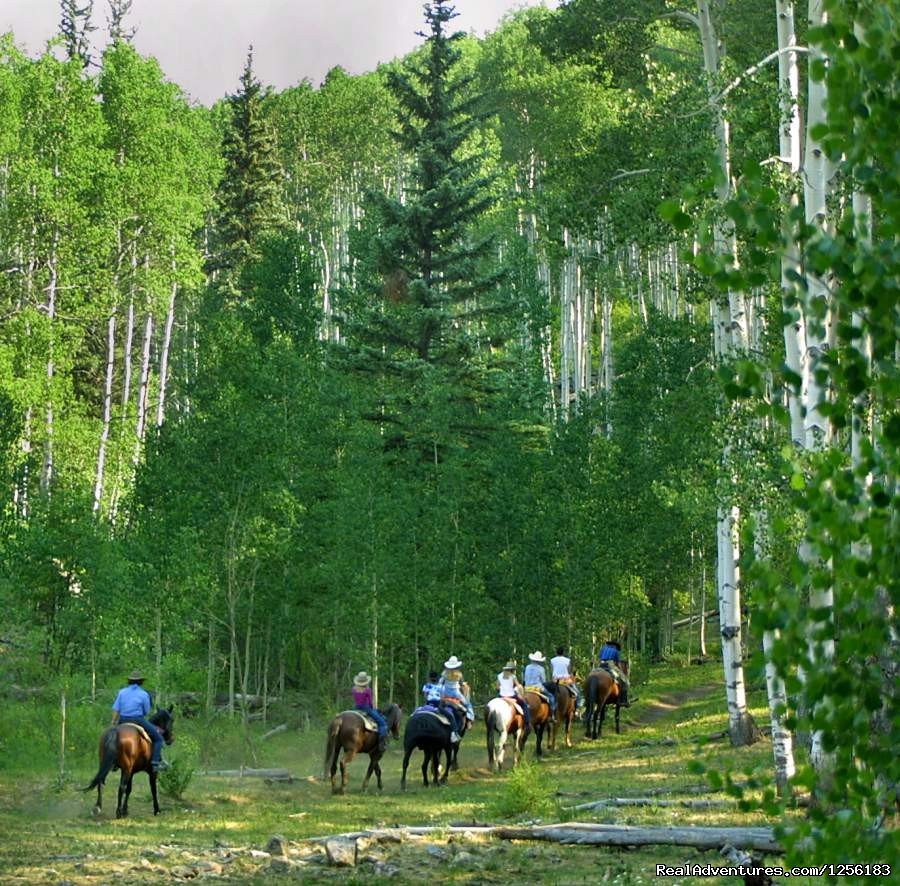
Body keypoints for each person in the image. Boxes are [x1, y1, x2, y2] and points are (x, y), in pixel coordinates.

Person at [111, 669, 168, 772]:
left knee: (112, 739)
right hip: (138, 719)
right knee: (158, 738)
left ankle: (114, 762)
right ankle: (155, 763)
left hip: (123, 720)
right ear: (141, 681)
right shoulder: (144, 694)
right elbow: (146, 711)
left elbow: (116, 709)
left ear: (130, 681)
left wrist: (113, 723)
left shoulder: (121, 692)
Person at [351, 671, 389, 753]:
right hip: (366, 709)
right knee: (382, 723)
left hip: (356, 708)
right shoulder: (368, 690)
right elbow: (370, 702)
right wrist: (372, 709)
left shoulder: (353, 689)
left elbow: (355, 699)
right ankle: (381, 742)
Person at [440, 655, 474, 743]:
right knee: (467, 704)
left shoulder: (444, 673)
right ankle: (470, 720)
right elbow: (462, 684)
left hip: (446, 692)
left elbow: (440, 683)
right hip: (456, 693)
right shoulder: (459, 674)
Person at [497, 660, 530, 729]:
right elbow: (518, 686)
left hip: (501, 696)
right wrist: (521, 692)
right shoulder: (513, 676)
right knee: (524, 705)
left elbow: (497, 687)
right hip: (511, 696)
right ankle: (527, 723)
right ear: (512, 669)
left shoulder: (499, 676)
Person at [598, 640, 631, 706]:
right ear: (615, 646)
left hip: (601, 665)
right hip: (610, 665)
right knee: (624, 680)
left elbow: (599, 657)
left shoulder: (603, 648)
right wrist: (620, 671)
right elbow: (618, 663)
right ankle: (624, 700)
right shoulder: (615, 651)